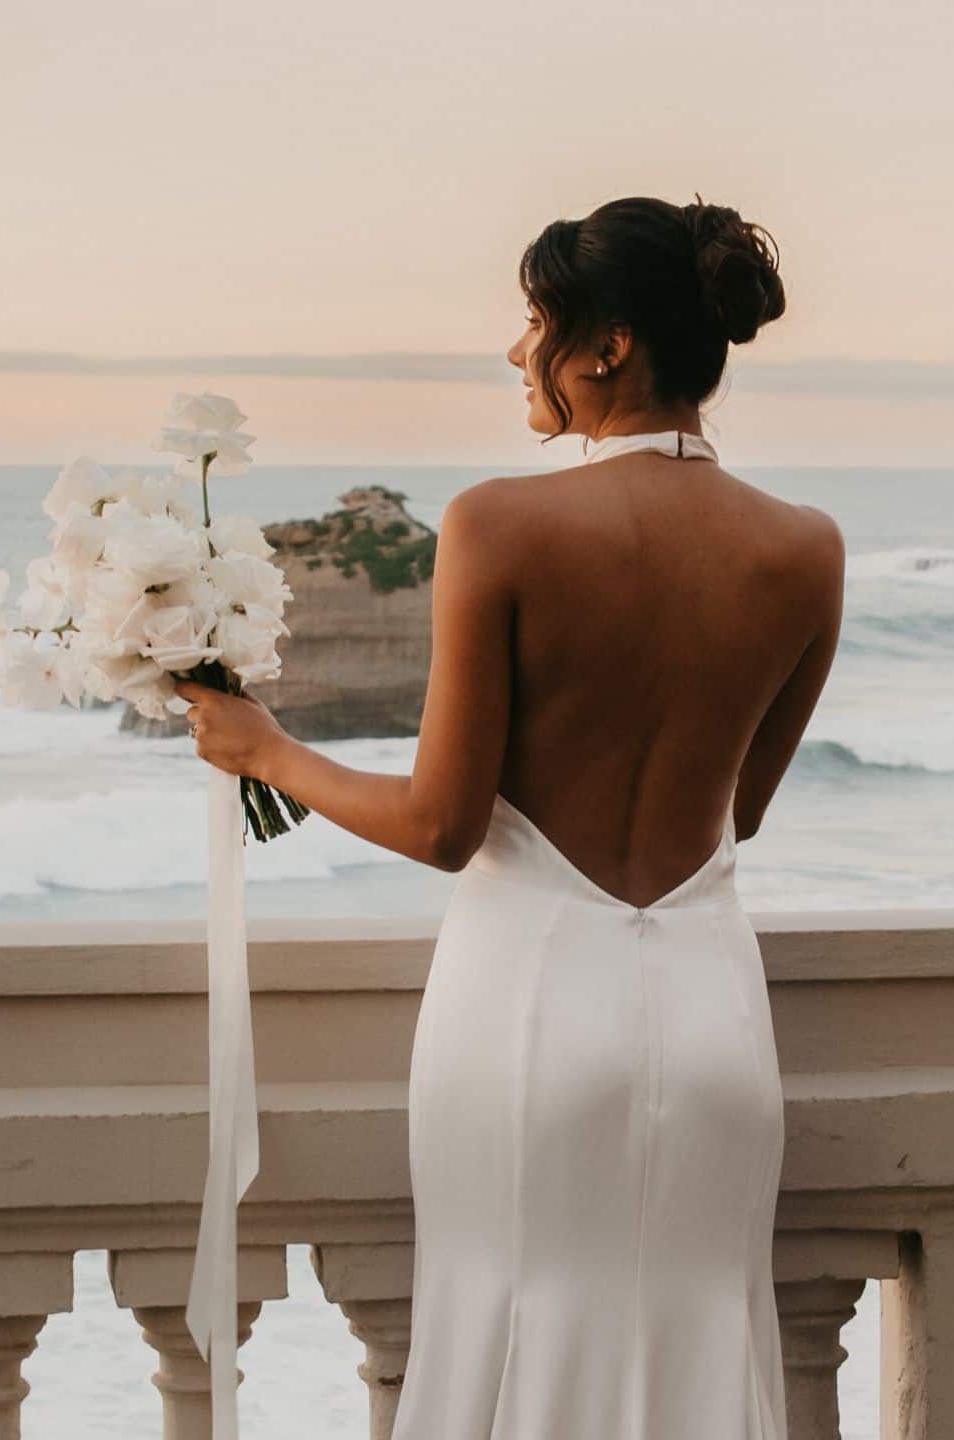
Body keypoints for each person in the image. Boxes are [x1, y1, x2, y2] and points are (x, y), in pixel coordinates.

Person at [175, 194, 843, 1439]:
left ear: (608, 346)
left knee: (507, 1327)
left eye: (534, 320)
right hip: (712, 1027)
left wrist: (262, 747)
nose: (515, 349)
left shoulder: (499, 523)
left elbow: (441, 822)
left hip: (528, 1015)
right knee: (703, 1335)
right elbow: (735, 810)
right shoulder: (806, 548)